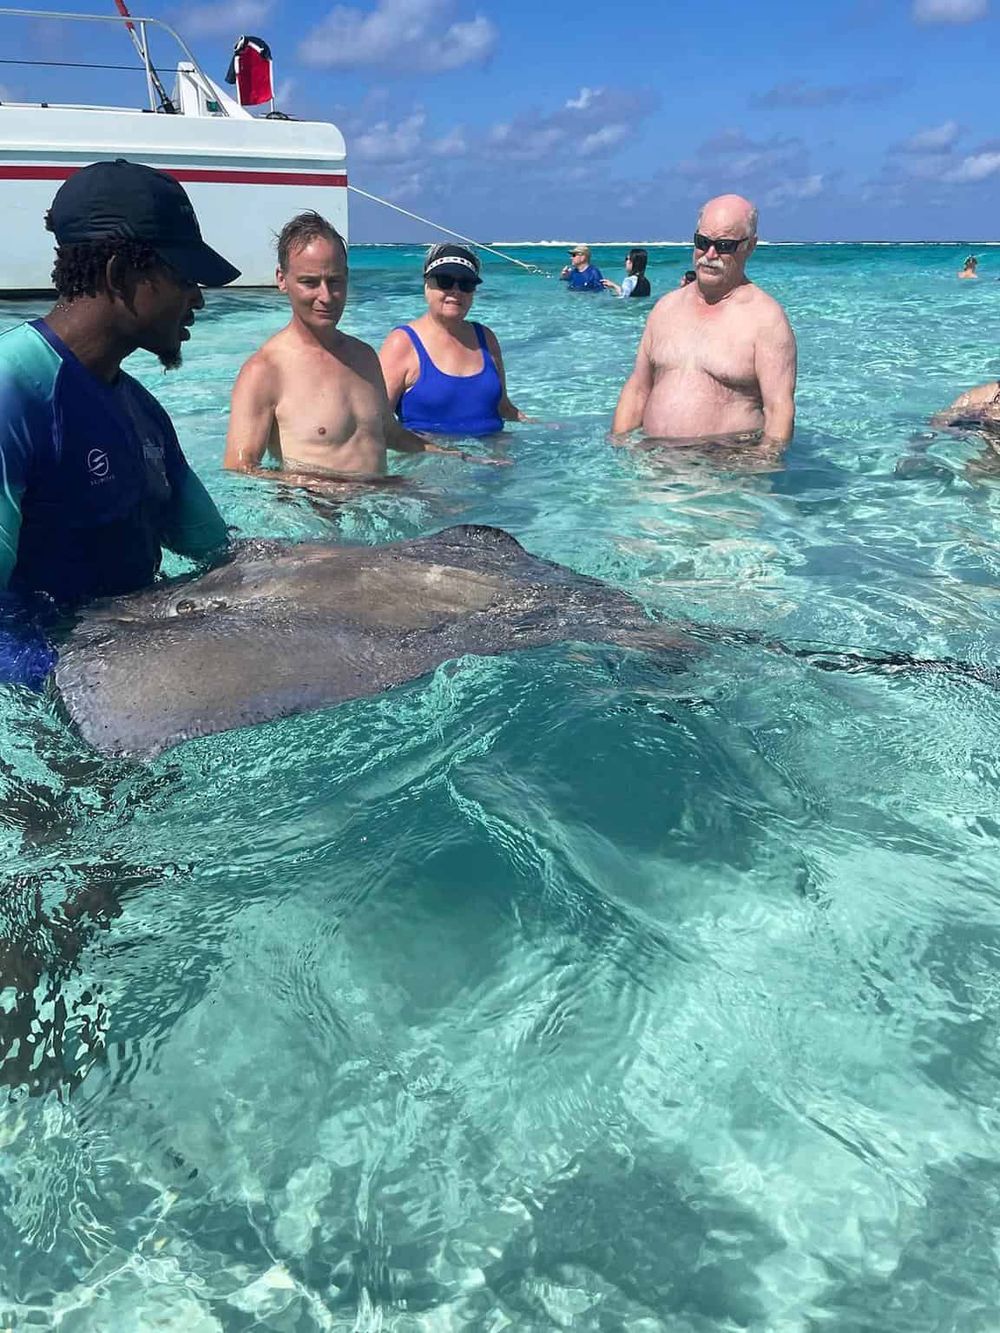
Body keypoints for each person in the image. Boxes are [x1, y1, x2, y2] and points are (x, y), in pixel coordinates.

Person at [0, 158, 233, 619]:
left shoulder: (143, 413)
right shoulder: (13, 393)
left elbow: (222, 555)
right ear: (118, 275)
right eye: (184, 277)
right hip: (56, 678)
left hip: (130, 657)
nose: (199, 298)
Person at [226, 217, 505, 481]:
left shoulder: (364, 356)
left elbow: (389, 432)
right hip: (317, 520)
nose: (326, 296)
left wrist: (455, 456)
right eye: (309, 282)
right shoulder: (264, 371)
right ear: (282, 279)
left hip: (379, 510)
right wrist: (327, 488)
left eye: (334, 281)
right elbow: (241, 468)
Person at [611, 194, 797, 452]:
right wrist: (618, 451)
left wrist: (761, 470)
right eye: (702, 242)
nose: (710, 254)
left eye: (724, 245)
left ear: (750, 246)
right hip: (654, 465)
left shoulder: (766, 319)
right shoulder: (666, 308)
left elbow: (778, 409)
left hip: (726, 469)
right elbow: (638, 389)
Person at [378, 244, 528, 435]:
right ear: (426, 285)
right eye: (445, 281)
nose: (456, 291)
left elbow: (504, 408)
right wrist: (454, 455)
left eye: (466, 284)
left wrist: (549, 428)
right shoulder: (402, 343)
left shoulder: (486, 338)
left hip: (497, 459)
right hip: (431, 461)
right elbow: (377, 423)